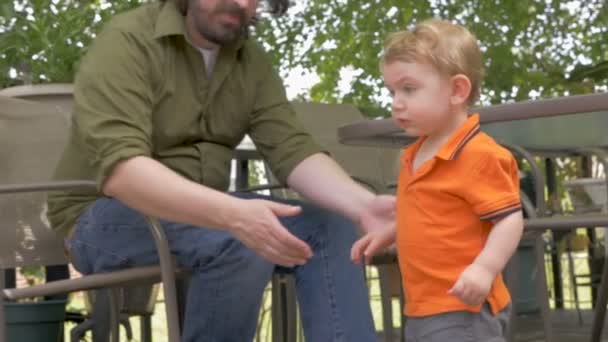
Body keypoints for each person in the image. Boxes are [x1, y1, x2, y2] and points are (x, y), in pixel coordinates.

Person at [47, 0, 396, 341]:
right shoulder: (128, 40)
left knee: (329, 227)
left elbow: (292, 149)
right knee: (239, 239)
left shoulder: (251, 61)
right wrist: (233, 216)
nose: (240, 3)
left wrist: (362, 204)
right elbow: (122, 171)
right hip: (97, 217)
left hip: (205, 215)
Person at [351, 19, 524, 341]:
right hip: (423, 305)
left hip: (464, 305)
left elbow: (510, 220)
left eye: (409, 89)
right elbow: (432, 215)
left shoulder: (478, 154)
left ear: (457, 90)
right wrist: (392, 232)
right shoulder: (414, 154)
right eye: (392, 91)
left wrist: (484, 269)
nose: (396, 102)